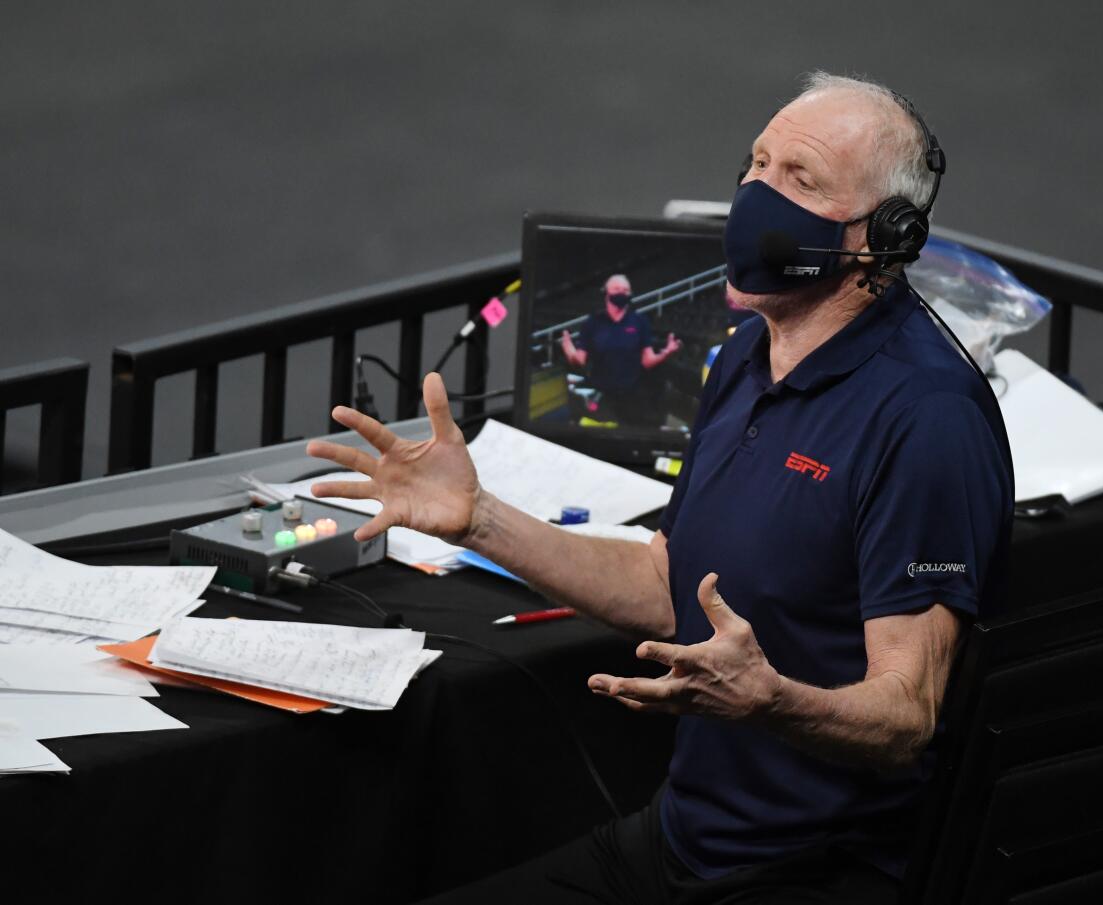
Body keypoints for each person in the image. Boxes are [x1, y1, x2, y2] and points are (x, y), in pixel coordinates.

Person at [306, 71, 1013, 905]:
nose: (756, 195)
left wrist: (769, 700)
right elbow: (661, 583)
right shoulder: (749, 353)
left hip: (819, 872)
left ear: (882, 238)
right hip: (683, 840)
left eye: (801, 180)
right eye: (757, 164)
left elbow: (908, 716)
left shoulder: (926, 419)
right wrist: (477, 519)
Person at [559, 274, 682, 424]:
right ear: (606, 292)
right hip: (602, 395)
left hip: (632, 395)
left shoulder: (639, 322)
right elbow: (580, 360)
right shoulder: (592, 323)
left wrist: (666, 353)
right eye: (617, 289)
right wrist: (570, 352)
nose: (622, 293)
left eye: (626, 290)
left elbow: (648, 361)